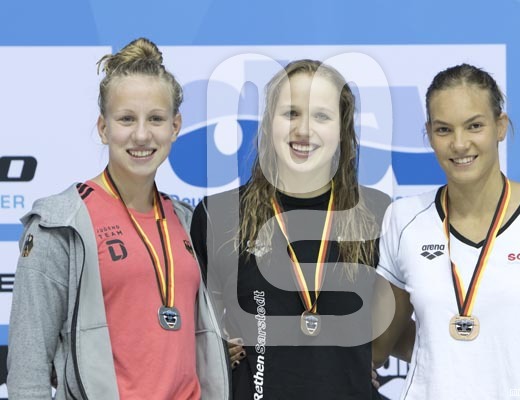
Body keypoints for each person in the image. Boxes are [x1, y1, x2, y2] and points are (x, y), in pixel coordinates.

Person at [7, 38, 230, 399]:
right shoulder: (59, 224)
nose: (141, 135)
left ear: (175, 127)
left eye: (156, 119)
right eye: (126, 119)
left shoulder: (189, 222)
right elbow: (27, 373)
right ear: (103, 128)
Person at [372, 63, 520, 399]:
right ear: (429, 134)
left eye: (474, 126)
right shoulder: (403, 218)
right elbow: (380, 344)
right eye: (444, 129)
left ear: (500, 126)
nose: (459, 144)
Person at [191, 59, 390, 399]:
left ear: (342, 128)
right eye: (291, 113)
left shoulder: (377, 213)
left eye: (321, 116)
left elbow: (402, 325)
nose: (303, 130)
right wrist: (210, 351)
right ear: (270, 122)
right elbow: (189, 325)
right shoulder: (219, 214)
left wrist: (362, 362)